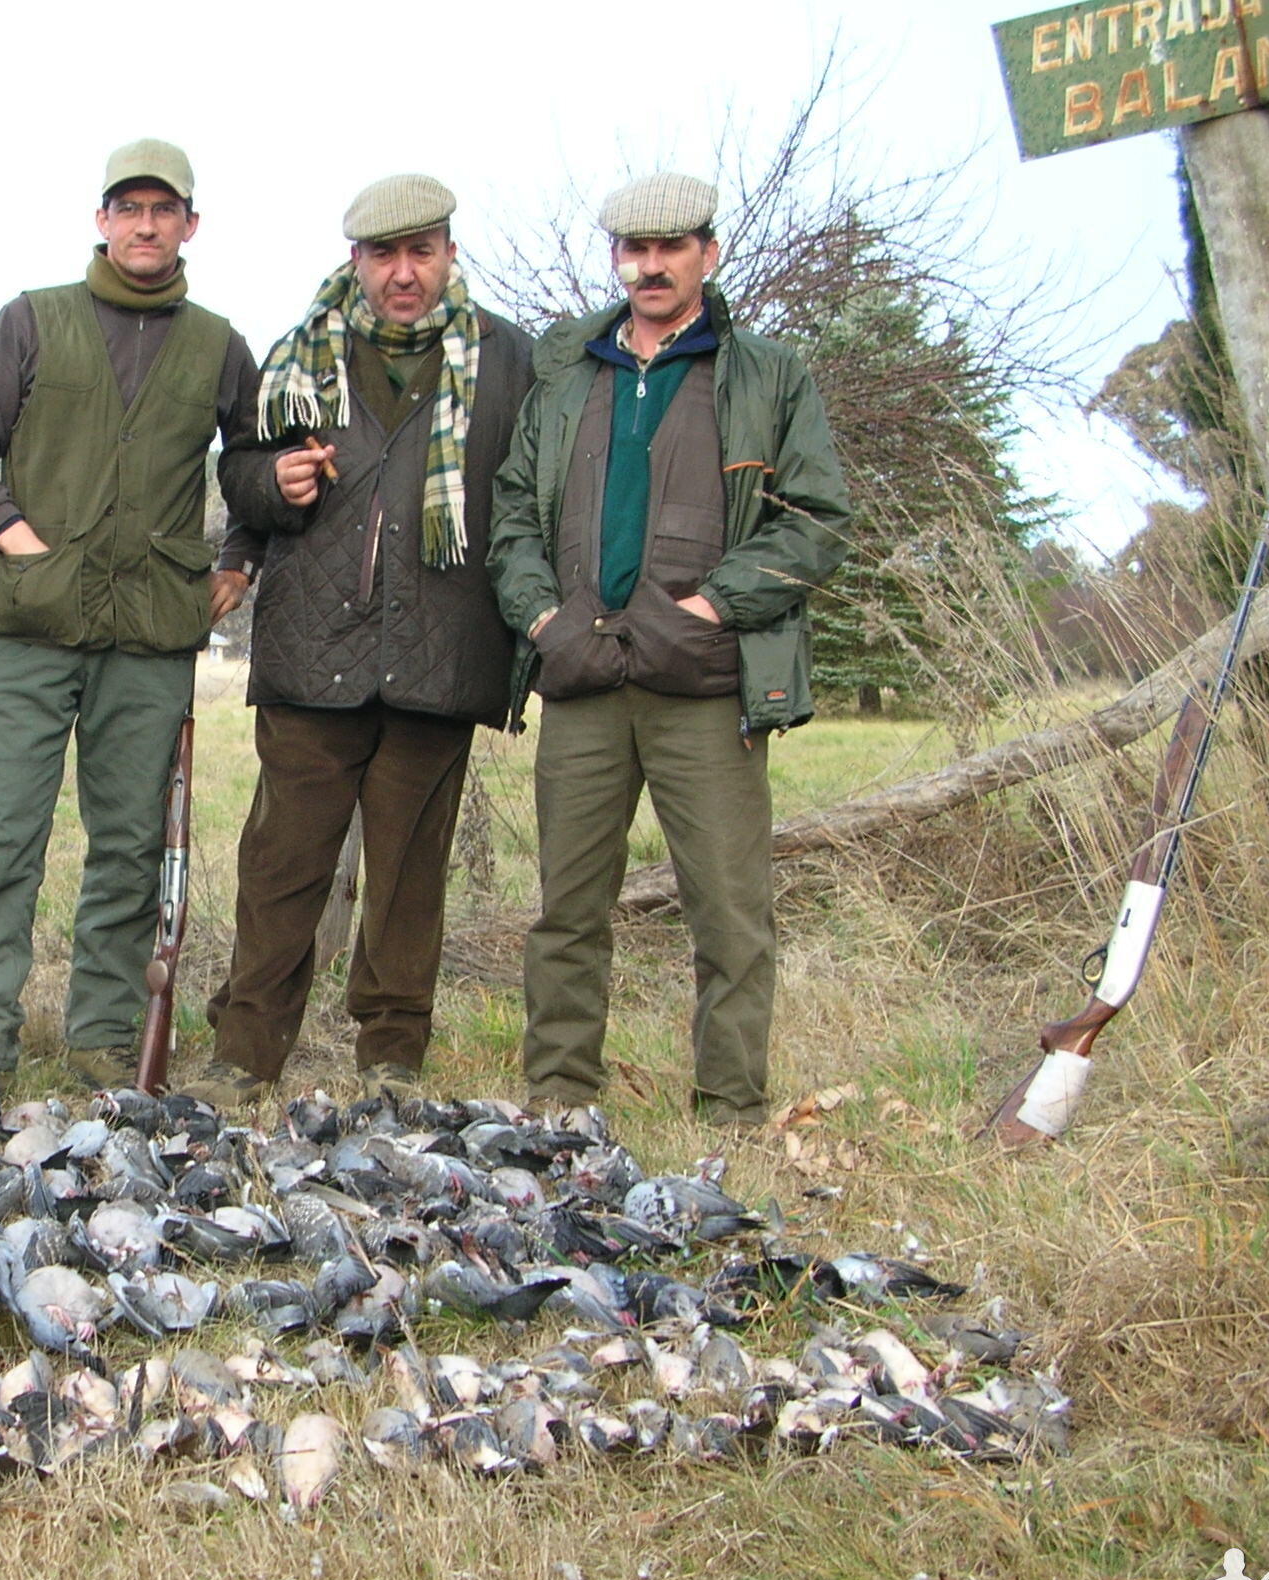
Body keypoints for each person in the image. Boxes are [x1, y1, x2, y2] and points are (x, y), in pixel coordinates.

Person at [487, 171, 849, 1130]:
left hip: (702, 683)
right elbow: (513, 514)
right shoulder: (571, 373)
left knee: (729, 914)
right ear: (616, 257)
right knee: (567, 909)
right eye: (633, 250)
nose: (650, 265)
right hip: (583, 676)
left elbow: (815, 522)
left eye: (671, 247)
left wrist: (712, 606)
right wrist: (541, 621)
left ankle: (730, 1105)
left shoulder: (766, 373)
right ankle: (559, 1094)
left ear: (707, 255)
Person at [177, 174, 533, 1108]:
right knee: (280, 864)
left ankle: (390, 1061)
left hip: (442, 650)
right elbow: (242, 474)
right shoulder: (300, 355)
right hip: (312, 651)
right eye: (385, 256)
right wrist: (273, 480)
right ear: (357, 262)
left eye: (421, 252)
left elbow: (533, 496)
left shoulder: (509, 363)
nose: (403, 274)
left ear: (451, 253)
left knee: (409, 880)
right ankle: (244, 1052)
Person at [0, 139, 257, 1112]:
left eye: (164, 209)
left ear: (189, 225)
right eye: (127, 207)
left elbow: (255, 464)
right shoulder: (30, 320)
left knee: (126, 848)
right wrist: (14, 535)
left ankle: (105, 1039)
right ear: (100, 220)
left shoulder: (217, 343)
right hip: (25, 629)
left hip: (149, 637)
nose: (145, 224)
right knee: (0, 839)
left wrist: (239, 559)